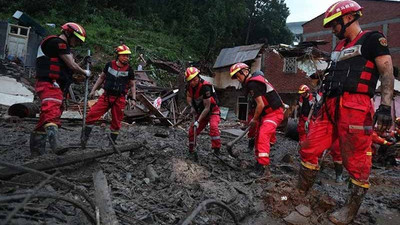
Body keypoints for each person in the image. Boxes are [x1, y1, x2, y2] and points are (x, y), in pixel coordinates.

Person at [297, 1, 394, 224]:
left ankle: (350, 211)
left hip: (356, 107)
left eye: (334, 24)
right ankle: (299, 196)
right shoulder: (338, 48)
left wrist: (385, 106)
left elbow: (387, 72)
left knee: (357, 161)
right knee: (309, 147)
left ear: (348, 18)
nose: (333, 29)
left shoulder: (372, 40)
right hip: (330, 106)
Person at [30, 22, 90, 157]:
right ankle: (55, 144)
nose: (77, 43)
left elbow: (69, 68)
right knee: (51, 110)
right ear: (68, 33)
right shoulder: (57, 43)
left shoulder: (59, 48)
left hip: (55, 84)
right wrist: (85, 72)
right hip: (50, 84)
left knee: (47, 117)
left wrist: (78, 72)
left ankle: (36, 151)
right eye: (76, 40)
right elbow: (72, 65)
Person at [230, 63, 284, 179]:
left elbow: (261, 104)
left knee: (263, 135)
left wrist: (254, 119)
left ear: (245, 72)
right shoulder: (253, 84)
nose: (238, 79)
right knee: (259, 137)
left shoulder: (253, 83)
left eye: (238, 76)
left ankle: (263, 167)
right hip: (267, 114)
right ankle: (259, 162)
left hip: (273, 113)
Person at [80, 44, 136, 148]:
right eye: (124, 55)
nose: (126, 58)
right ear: (118, 55)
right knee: (92, 115)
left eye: (128, 56)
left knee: (116, 122)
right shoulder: (109, 65)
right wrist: (93, 90)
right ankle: (84, 139)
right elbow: (101, 78)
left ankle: (111, 144)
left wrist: (133, 98)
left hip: (119, 99)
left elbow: (132, 85)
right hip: (106, 97)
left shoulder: (129, 70)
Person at [186, 67, 221, 161]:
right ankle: (191, 150)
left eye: (194, 80)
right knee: (192, 131)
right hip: (200, 111)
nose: (192, 82)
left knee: (213, 127)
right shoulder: (189, 86)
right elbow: (189, 96)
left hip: (212, 111)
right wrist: (192, 107)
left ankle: (216, 149)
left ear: (198, 77)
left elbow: (207, 107)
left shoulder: (205, 87)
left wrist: (198, 121)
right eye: (190, 81)